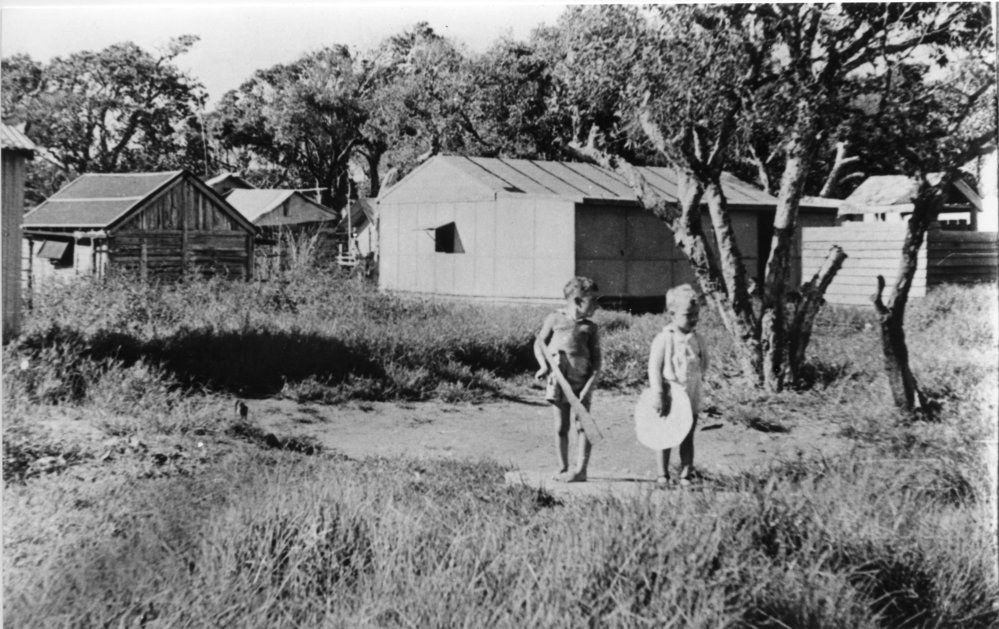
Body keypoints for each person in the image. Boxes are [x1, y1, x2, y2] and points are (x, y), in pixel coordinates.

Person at [534, 277, 602, 482]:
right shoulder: (555, 319)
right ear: (579, 301)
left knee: (584, 425)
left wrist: (589, 385)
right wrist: (543, 365)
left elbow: (597, 362)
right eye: (594, 300)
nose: (597, 305)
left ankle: (581, 470)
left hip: (581, 382)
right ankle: (563, 467)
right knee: (561, 426)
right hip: (558, 378)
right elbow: (539, 344)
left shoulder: (590, 328)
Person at [648, 284, 709, 487]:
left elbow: (704, 363)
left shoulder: (697, 339)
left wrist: (696, 382)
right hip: (670, 393)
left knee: (687, 435)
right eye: (687, 314)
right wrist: (658, 393)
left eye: (696, 314)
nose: (693, 319)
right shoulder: (665, 338)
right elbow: (654, 368)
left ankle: (685, 474)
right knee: (666, 434)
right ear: (672, 313)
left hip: (690, 393)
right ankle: (662, 474)